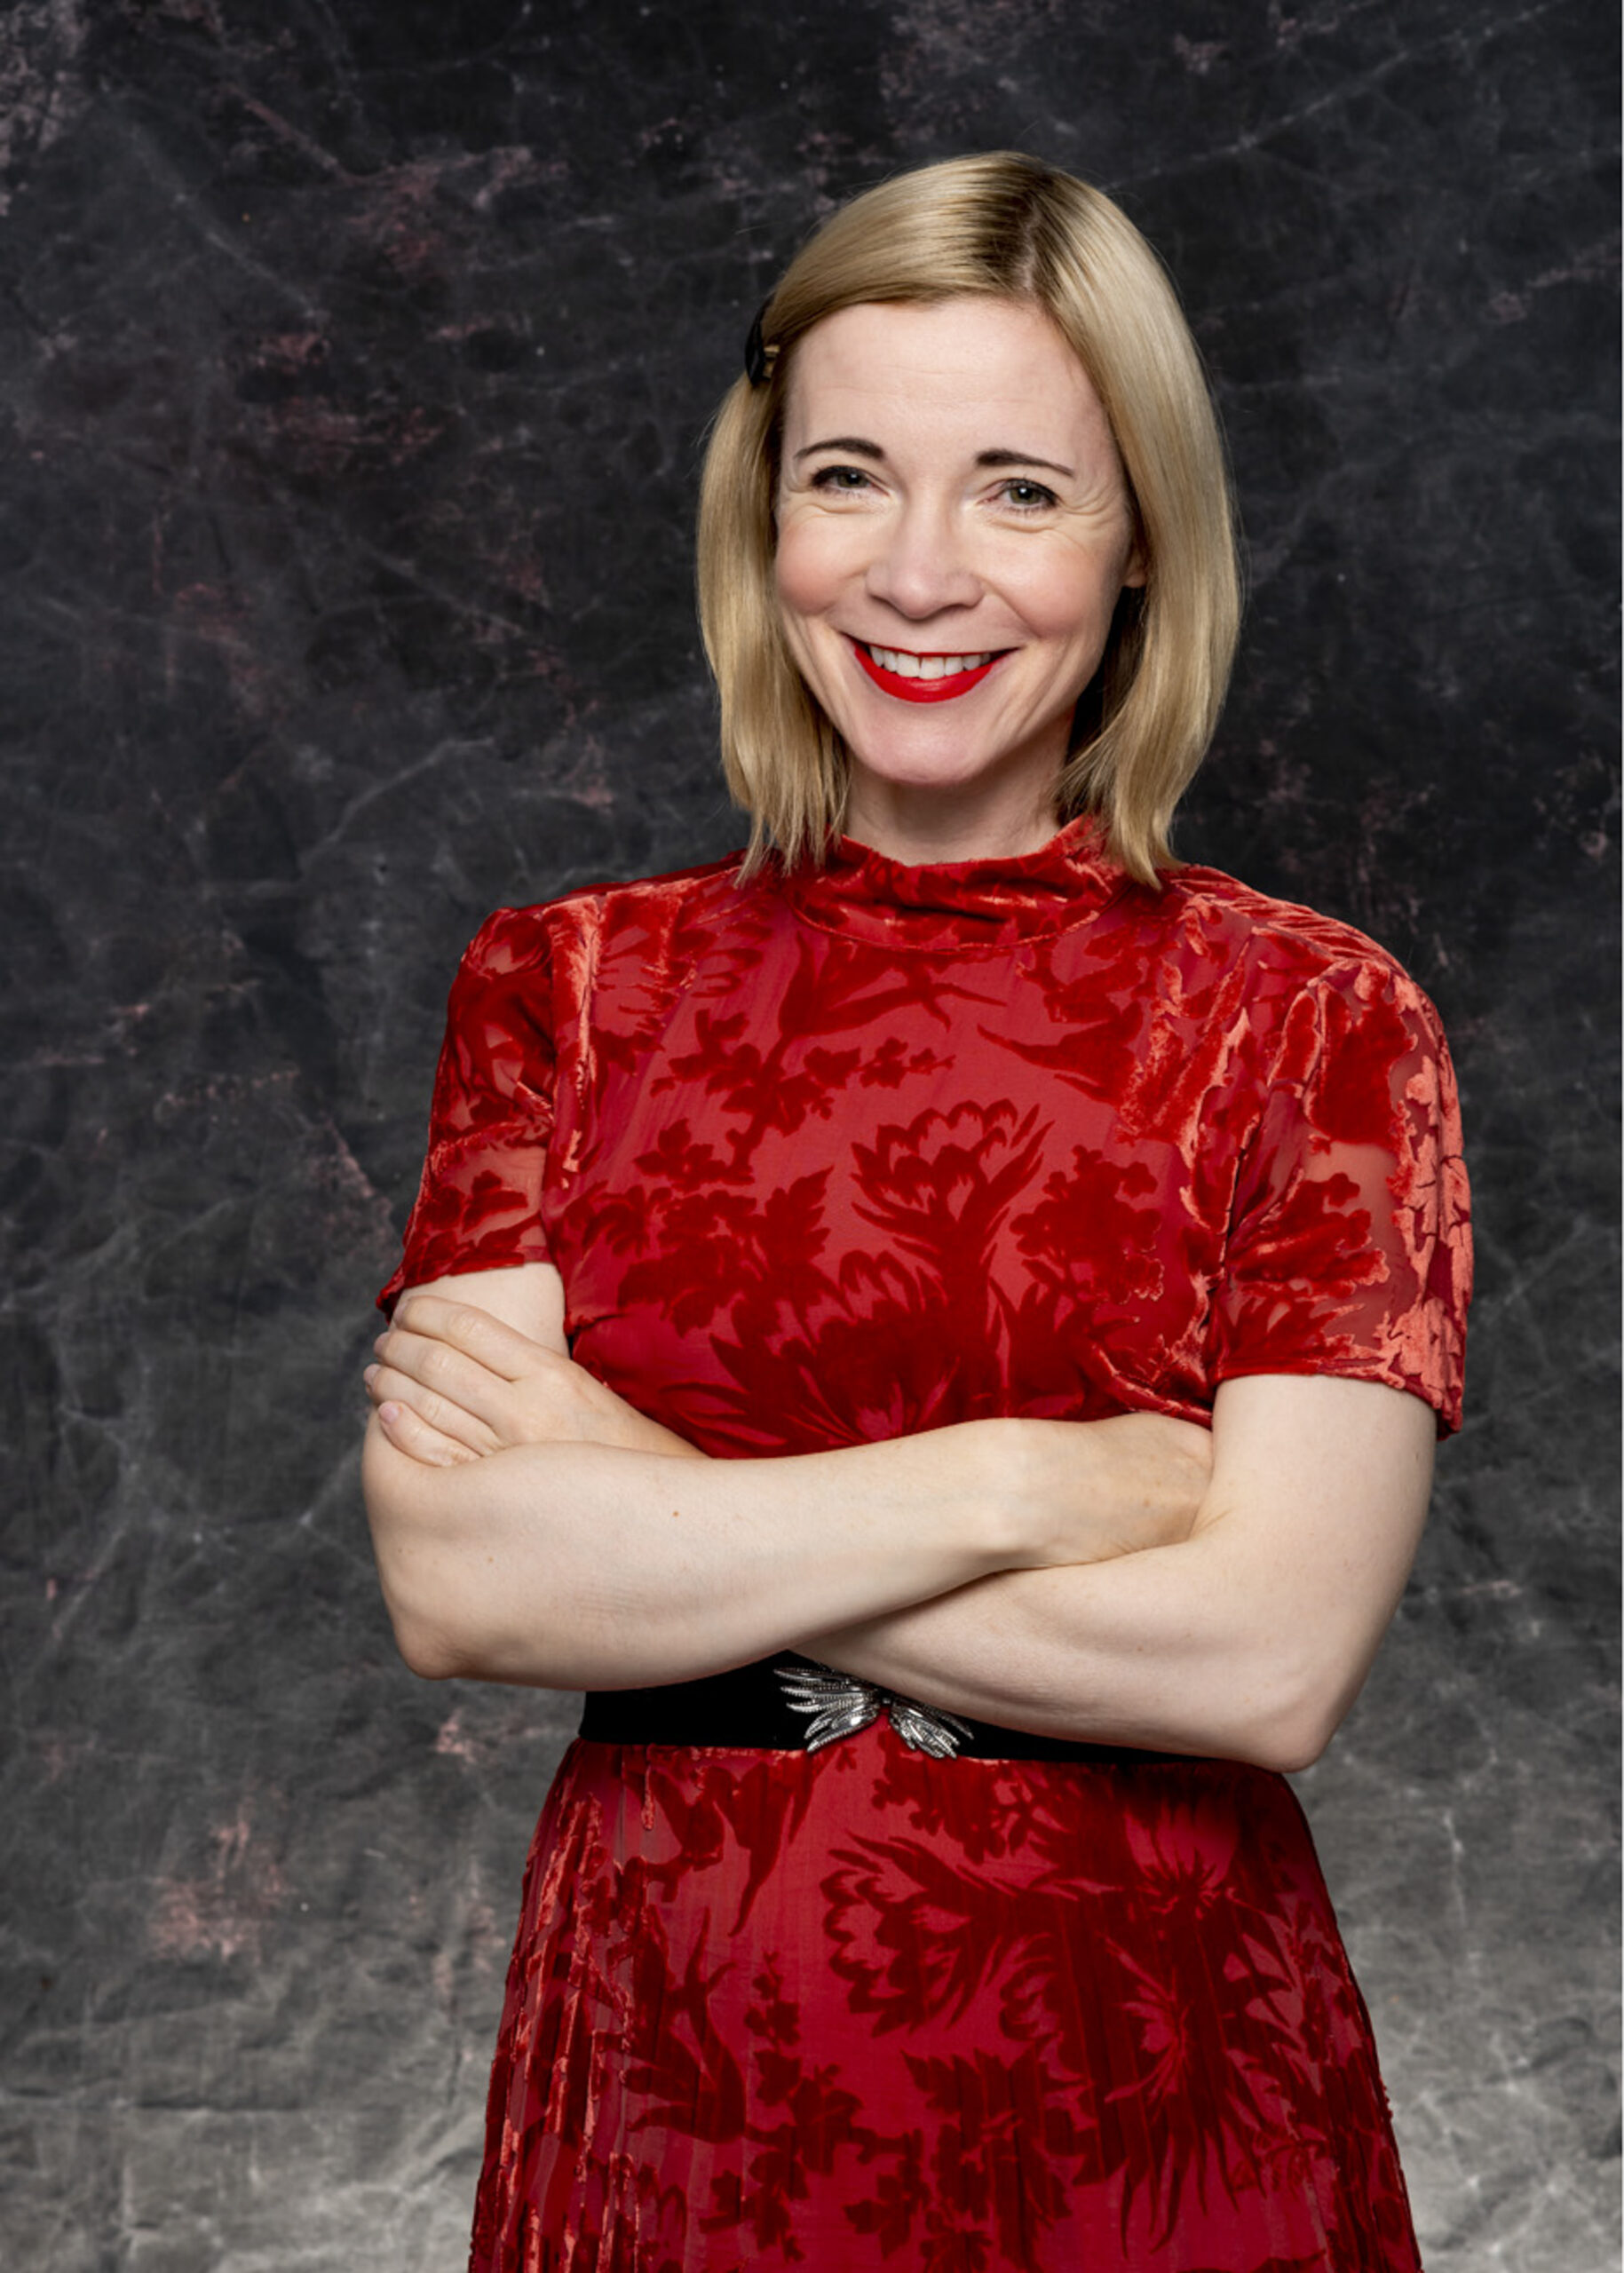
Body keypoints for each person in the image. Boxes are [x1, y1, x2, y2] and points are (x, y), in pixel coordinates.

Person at [362, 151, 1470, 2273]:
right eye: (851, 475)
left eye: (1023, 492)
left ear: (1143, 536)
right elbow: (466, 1583)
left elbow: (1260, 1663)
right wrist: (1040, 1476)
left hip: (1154, 2105)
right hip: (672, 2085)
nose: (922, 573)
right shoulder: (565, 987)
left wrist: (640, 1494)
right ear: (762, 515)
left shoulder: (1313, 1021)